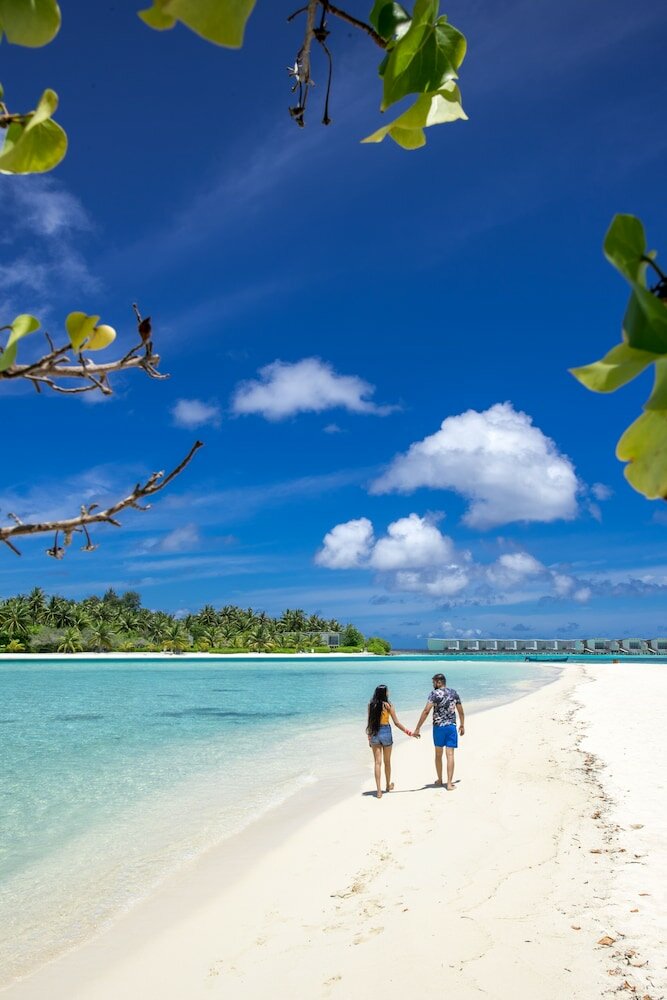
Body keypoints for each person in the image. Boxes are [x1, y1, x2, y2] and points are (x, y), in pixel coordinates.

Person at [413, 673, 465, 790]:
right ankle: (449, 783)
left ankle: (440, 779)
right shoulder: (453, 692)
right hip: (451, 727)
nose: (433, 684)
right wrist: (462, 725)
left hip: (439, 728)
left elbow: (426, 711)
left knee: (438, 754)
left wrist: (418, 728)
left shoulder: (434, 694)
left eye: (434, 682)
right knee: (450, 754)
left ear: (439, 682)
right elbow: (460, 711)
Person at [366, 684, 415, 799]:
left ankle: (378, 791)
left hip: (374, 733)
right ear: (384, 693)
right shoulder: (389, 705)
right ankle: (388, 786)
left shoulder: (370, 705)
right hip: (385, 732)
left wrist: (369, 737)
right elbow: (396, 723)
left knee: (377, 763)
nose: (389, 692)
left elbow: (369, 723)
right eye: (388, 691)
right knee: (387, 762)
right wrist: (409, 733)